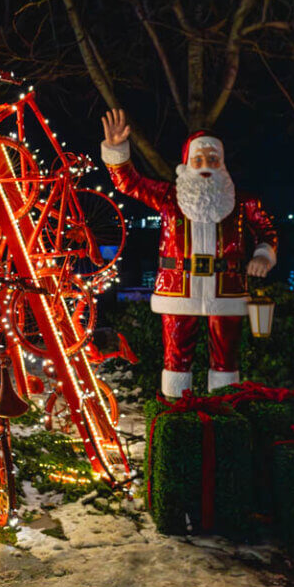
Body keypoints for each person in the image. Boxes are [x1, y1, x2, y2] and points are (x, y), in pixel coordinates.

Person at [101, 108, 277, 397]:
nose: (205, 164)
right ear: (187, 163)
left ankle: (224, 409)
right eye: (198, 159)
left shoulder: (243, 203)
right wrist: (117, 149)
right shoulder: (169, 197)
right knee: (175, 359)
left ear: (222, 163)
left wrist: (263, 254)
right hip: (177, 290)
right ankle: (175, 409)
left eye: (212, 159)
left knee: (226, 360)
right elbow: (128, 183)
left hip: (227, 291)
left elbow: (267, 231)